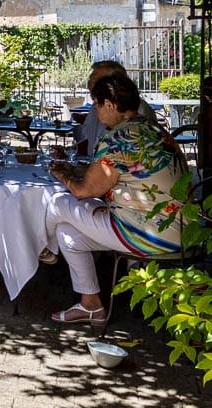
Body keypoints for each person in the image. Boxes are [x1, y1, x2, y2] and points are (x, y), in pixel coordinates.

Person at [46, 72, 188, 323]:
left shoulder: (117, 138)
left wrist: (61, 174)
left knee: (59, 202)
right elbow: (118, 174)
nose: (97, 113)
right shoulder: (153, 129)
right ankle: (91, 306)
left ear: (109, 105)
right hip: (183, 230)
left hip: (146, 233)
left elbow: (84, 191)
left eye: (97, 105)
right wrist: (76, 171)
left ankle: (41, 247)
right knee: (67, 235)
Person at [75, 60, 159, 155]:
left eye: (95, 80)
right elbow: (91, 141)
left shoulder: (138, 110)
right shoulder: (97, 106)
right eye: (90, 79)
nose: (89, 84)